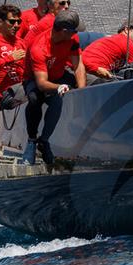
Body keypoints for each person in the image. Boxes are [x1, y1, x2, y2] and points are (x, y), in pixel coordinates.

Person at [22, 9, 86, 164]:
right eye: (74, 31)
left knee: (58, 100)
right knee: (34, 99)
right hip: (36, 79)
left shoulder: (72, 39)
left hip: (58, 74)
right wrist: (59, 87)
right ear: (64, 31)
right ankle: (32, 140)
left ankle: (44, 141)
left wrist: (82, 90)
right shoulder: (38, 48)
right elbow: (42, 84)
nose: (76, 34)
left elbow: (78, 66)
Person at [83, 17, 133, 82]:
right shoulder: (126, 42)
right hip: (90, 71)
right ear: (127, 30)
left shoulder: (118, 41)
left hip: (86, 70)